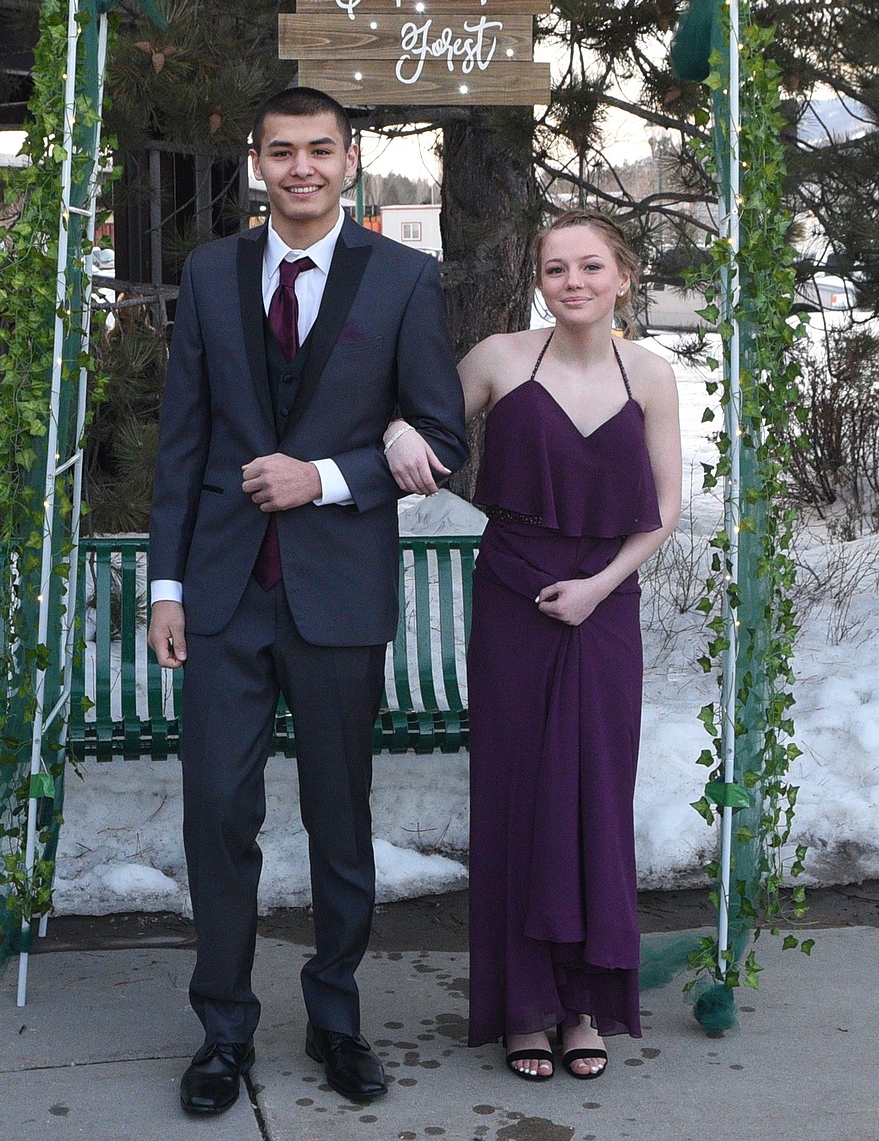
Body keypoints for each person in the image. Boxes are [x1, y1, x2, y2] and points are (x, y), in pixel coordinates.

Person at [148, 86, 468, 1117]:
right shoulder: (210, 273)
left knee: (340, 817)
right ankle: (222, 1030)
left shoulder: (407, 280)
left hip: (337, 595)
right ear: (257, 163)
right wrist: (166, 585)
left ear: (351, 159)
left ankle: (336, 1018)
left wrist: (326, 477)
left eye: (319, 151)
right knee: (216, 816)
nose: (301, 169)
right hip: (225, 594)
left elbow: (442, 440)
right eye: (281, 152)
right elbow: (184, 442)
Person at [385, 210, 681, 1082]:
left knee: (594, 798)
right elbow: (425, 426)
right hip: (515, 595)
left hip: (605, 603)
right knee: (518, 795)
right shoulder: (503, 359)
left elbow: (662, 510)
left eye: (591, 266)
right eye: (556, 268)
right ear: (540, 281)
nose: (573, 281)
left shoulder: (653, 375)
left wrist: (598, 587)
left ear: (623, 275)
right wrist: (401, 430)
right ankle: (523, 1006)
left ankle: (583, 1003)